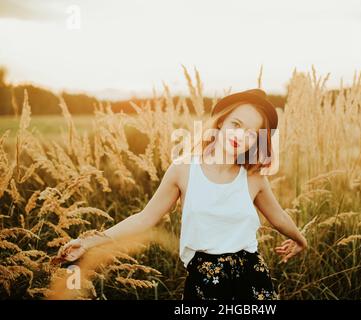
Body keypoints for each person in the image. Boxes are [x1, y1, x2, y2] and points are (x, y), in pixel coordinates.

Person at [57, 88, 308, 300]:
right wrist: (90, 241)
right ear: (221, 122)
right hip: (204, 283)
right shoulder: (184, 170)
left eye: (251, 133)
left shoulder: (253, 178)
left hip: (253, 282)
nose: (240, 135)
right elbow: (144, 218)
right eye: (236, 124)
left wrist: (300, 240)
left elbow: (279, 218)